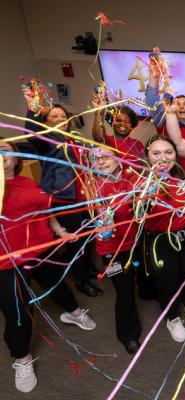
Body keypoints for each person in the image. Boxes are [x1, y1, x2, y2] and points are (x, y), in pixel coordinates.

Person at [0, 141, 96, 393]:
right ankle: (21, 358)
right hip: (6, 261)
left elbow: (45, 211)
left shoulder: (28, 183)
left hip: (40, 249)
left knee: (58, 286)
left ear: (16, 157)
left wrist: (60, 231)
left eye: (5, 150)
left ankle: (73, 313)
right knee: (17, 311)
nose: (1, 155)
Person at [22, 100, 102, 297]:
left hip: (85, 197)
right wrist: (32, 110)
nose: (60, 120)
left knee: (89, 236)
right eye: (54, 117)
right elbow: (31, 133)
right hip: (64, 200)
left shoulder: (74, 138)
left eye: (63, 117)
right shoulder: (47, 142)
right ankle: (81, 280)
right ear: (46, 122)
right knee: (75, 242)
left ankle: (88, 267)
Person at [141, 136, 185, 343]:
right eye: (156, 153)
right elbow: (137, 215)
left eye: (168, 152)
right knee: (167, 282)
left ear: (176, 155)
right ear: (147, 156)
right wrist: (148, 190)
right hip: (161, 242)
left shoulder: (184, 179)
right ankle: (173, 318)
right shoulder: (141, 185)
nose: (163, 158)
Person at [90, 147, 142, 354]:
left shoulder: (131, 181)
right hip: (109, 252)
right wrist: (100, 226)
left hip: (134, 244)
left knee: (136, 274)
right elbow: (93, 218)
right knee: (124, 290)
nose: (101, 161)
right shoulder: (93, 188)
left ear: (118, 160)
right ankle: (128, 334)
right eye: (96, 159)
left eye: (105, 157)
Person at [90, 91, 144, 165]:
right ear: (112, 122)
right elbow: (98, 137)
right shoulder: (107, 141)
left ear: (132, 125)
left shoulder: (138, 144)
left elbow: (145, 167)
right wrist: (99, 112)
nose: (123, 124)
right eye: (118, 120)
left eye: (127, 121)